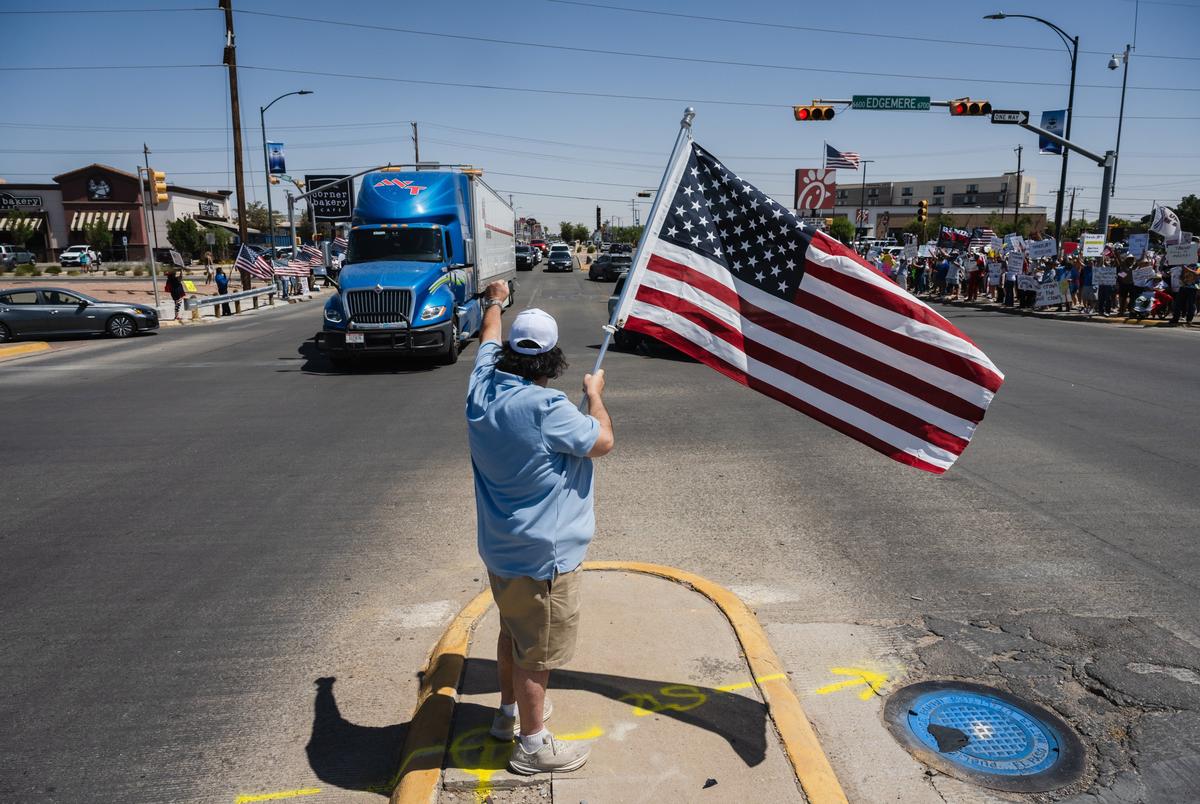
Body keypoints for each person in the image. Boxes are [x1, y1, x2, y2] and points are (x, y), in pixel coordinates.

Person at [466, 280, 614, 776]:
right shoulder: (549, 410)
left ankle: (508, 714)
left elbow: (488, 335)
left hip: (501, 548)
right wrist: (594, 396)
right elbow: (602, 441)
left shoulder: (482, 387)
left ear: (511, 353)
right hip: (544, 558)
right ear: (552, 360)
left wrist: (495, 301)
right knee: (538, 652)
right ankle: (532, 745)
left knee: (513, 632)